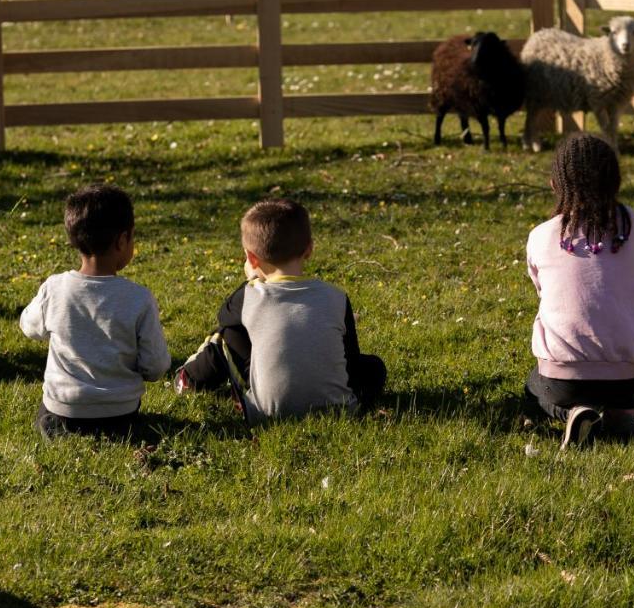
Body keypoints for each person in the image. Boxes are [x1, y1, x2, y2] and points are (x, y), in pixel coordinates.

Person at [173, 198, 386, 424]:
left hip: (263, 412)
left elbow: (224, 317)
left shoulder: (248, 295)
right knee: (373, 367)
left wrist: (252, 279)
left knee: (224, 336)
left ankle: (191, 378)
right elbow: (350, 358)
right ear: (309, 249)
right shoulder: (337, 297)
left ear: (251, 257)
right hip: (340, 408)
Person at [522, 133, 634, 448]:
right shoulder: (630, 224)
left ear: (556, 185)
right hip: (633, 370)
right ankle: (621, 413)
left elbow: (544, 291)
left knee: (534, 386)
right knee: (614, 371)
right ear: (616, 182)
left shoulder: (542, 235)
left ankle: (573, 412)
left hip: (565, 373)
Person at [20, 183, 171, 438]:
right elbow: (155, 367)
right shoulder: (139, 299)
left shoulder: (55, 289)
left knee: (51, 419)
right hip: (120, 415)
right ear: (122, 241)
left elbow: (29, 327)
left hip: (62, 410)